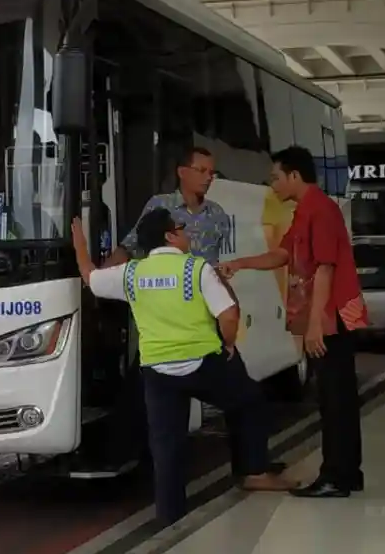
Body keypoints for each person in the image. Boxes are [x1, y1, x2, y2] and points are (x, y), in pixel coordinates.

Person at [72, 208, 294, 526]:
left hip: (158, 371)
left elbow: (90, 277)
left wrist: (79, 241)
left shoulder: (130, 273)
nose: (187, 233)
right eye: (182, 228)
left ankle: (171, 517)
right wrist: (228, 344)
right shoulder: (196, 268)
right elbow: (228, 314)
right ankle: (254, 471)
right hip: (204, 362)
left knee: (166, 445)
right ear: (170, 236)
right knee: (249, 402)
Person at [106, 144, 281, 481]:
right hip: (166, 319)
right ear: (182, 172)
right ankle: (138, 462)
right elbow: (128, 248)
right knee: (148, 393)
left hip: (208, 320)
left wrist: (229, 305)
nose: (208, 178)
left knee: (240, 394)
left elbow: (213, 267)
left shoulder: (216, 215)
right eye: (202, 171)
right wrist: (102, 279)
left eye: (212, 172)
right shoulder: (160, 207)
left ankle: (251, 467)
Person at [220, 146, 369, 498]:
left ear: (294, 176)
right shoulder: (304, 211)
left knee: (335, 399)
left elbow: (325, 269)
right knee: (336, 397)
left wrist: (316, 323)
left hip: (333, 317)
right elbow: (283, 254)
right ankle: (347, 472)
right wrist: (241, 263)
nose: (272, 185)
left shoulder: (321, 211)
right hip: (325, 316)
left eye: (275, 177)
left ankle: (336, 475)